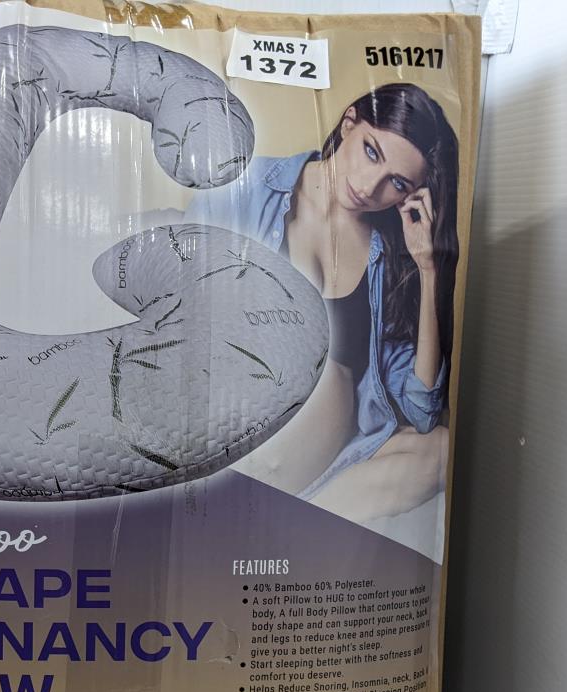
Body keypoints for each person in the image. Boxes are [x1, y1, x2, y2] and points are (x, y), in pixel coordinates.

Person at [187, 83, 459, 523]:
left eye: (397, 183)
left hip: (329, 463)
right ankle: (277, 523)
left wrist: (428, 269)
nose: (369, 187)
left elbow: (421, 412)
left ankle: (290, 525)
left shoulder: (390, 259)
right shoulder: (245, 188)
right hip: (238, 442)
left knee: (442, 448)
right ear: (349, 123)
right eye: (371, 152)